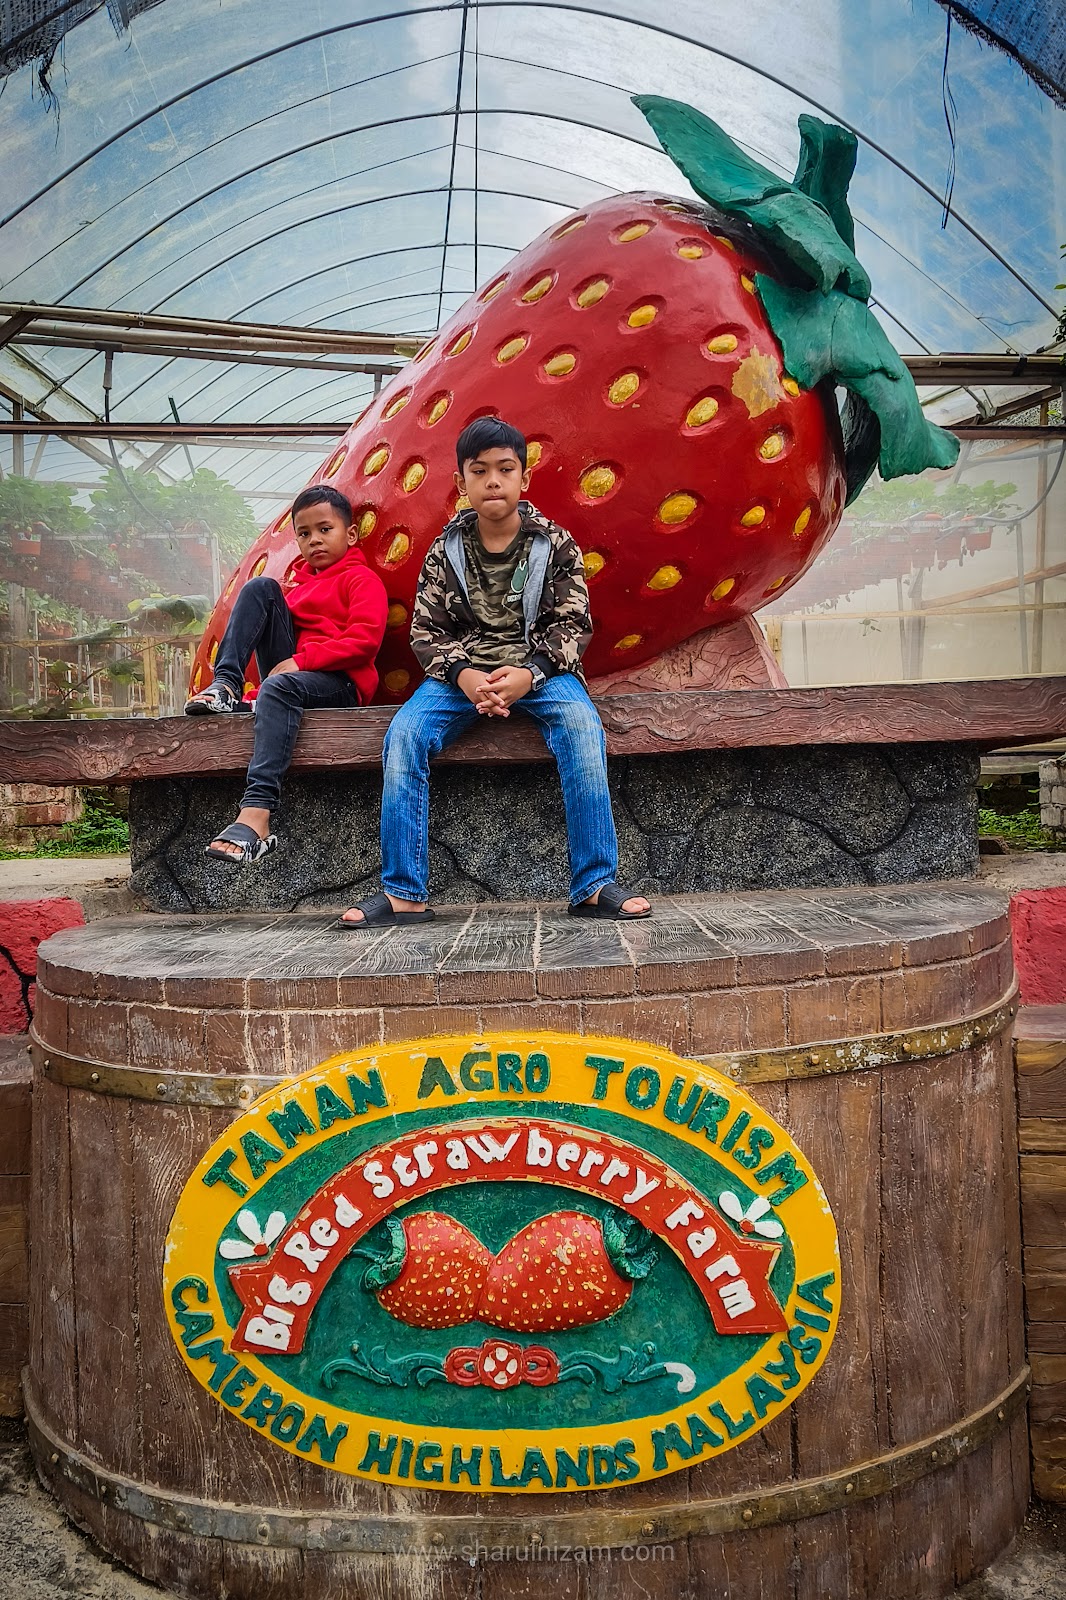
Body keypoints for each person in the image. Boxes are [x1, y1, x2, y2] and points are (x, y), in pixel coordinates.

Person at [340, 418, 651, 926]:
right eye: (478, 471)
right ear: (461, 483)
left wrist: (530, 673)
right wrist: (464, 677)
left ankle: (594, 885)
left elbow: (573, 624)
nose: (492, 481)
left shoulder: (555, 545)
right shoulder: (445, 551)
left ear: (523, 479)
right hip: (460, 676)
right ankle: (405, 893)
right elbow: (426, 631)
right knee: (405, 735)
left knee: (580, 727)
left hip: (542, 672)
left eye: (505, 469)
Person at [185, 483, 387, 864]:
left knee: (277, 688)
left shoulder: (361, 579)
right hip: (292, 679)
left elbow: (365, 641)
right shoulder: (296, 586)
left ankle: (256, 816)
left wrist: (302, 660)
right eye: (304, 533)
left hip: (341, 683)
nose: (314, 540)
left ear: (351, 533)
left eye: (325, 529)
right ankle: (225, 683)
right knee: (261, 586)